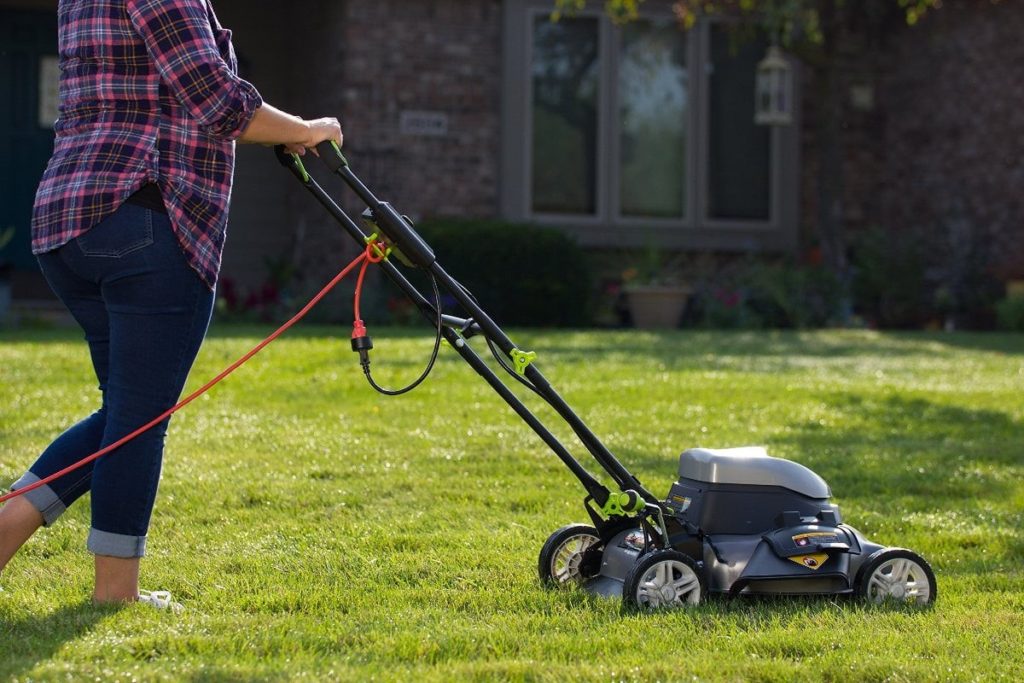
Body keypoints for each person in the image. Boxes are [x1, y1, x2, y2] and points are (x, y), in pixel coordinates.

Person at [0, 0, 341, 610]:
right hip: (148, 220)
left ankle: (14, 526)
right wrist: (306, 129)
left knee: (128, 414)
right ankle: (114, 592)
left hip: (67, 223)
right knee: (140, 418)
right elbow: (217, 101)